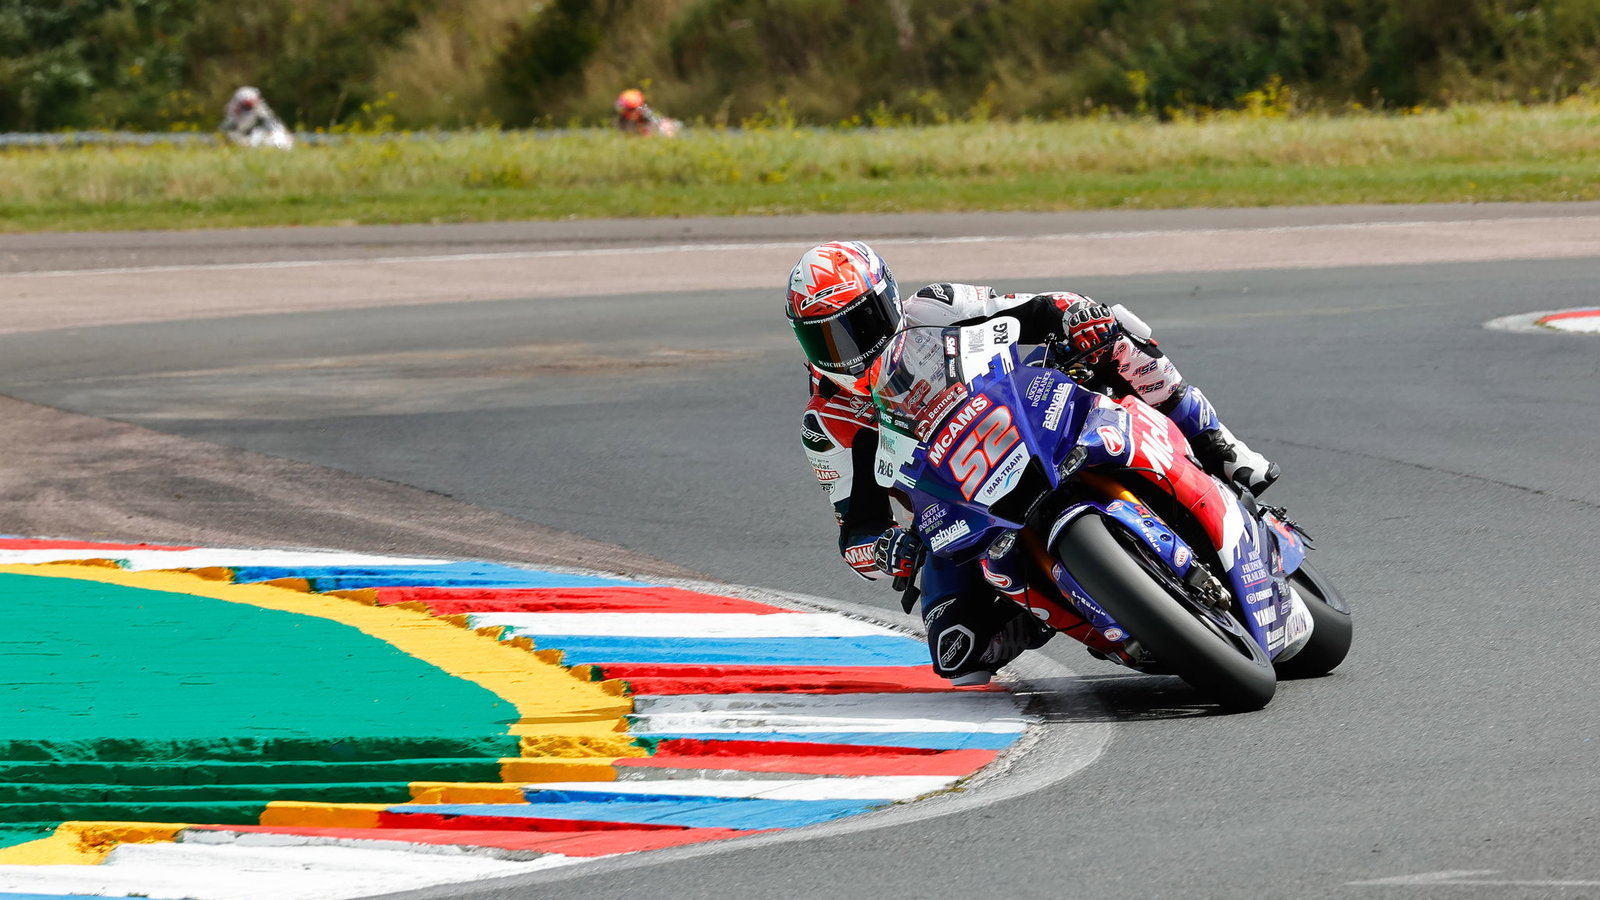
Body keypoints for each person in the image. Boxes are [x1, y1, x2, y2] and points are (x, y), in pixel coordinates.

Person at [785, 240, 1279, 685]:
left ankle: (1217, 444)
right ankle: (1072, 610)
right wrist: (890, 549)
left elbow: (1037, 309)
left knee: (1117, 328)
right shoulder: (827, 422)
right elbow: (856, 530)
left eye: (856, 326)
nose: (845, 352)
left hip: (1031, 418)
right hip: (958, 511)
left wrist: (1074, 317)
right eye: (823, 339)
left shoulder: (936, 306)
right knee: (959, 655)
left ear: (888, 299)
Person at [220, 86, 293, 149]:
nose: (248, 108)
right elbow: (225, 133)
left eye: (250, 105)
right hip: (243, 141)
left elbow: (272, 126)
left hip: (261, 141)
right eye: (245, 105)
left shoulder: (261, 113)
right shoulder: (232, 116)